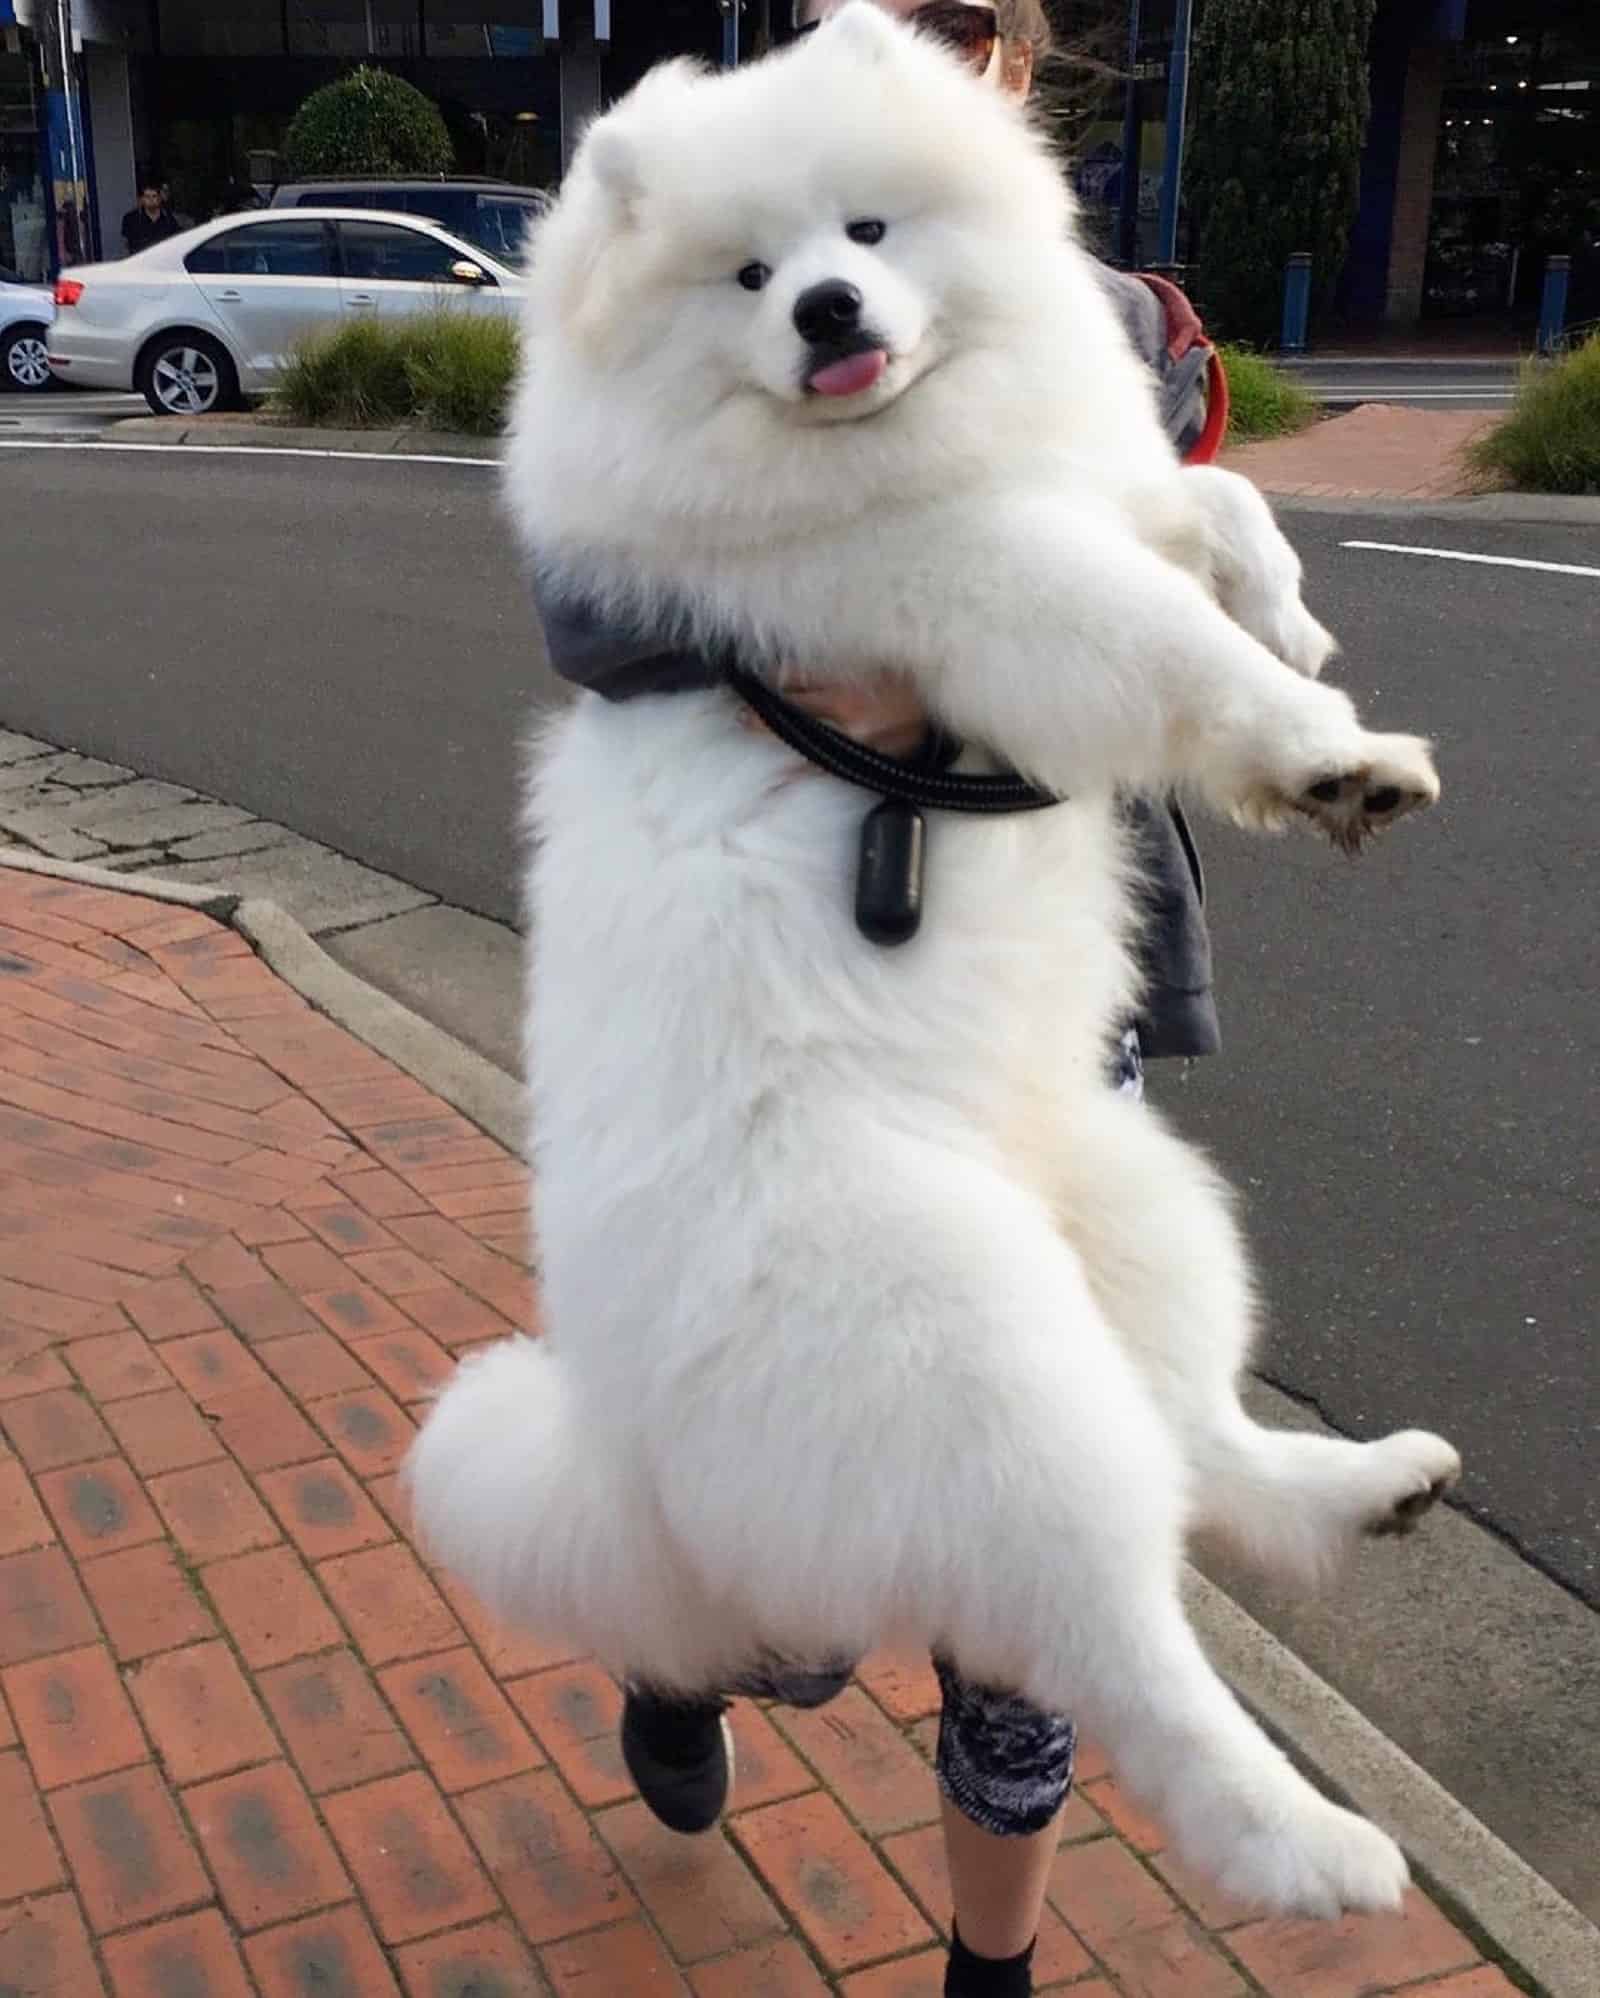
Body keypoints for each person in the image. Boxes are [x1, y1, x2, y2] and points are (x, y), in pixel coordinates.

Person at [559, 7, 1221, 1994]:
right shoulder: (726, 270)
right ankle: (698, 1664)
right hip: (804, 997)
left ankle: (985, 1972)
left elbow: (1161, 594)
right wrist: (856, 623)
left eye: (964, 30)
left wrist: (982, 637)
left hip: (1034, 979)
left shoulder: (1101, 310)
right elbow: (585, 604)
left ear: (1015, 69)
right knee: (812, 1524)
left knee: (1021, 1511)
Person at [120, 182, 179, 256]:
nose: (151, 200)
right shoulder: (130, 219)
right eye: (147, 196)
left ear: (159, 198)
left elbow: (176, 242)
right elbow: (125, 245)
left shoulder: (170, 218)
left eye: (154, 196)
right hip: (139, 261)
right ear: (142, 199)